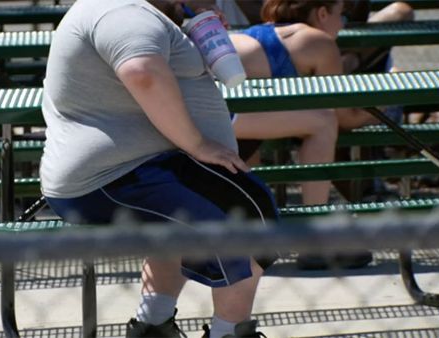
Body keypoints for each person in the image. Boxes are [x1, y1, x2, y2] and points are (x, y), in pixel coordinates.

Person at [40, 0, 278, 337]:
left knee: (190, 215)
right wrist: (197, 143)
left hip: (133, 169)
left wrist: (193, 27)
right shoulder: (121, 12)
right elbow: (143, 73)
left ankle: (153, 326)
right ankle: (230, 333)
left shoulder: (141, 12)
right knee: (247, 213)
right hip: (112, 175)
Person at [228, 0, 385, 269]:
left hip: (212, 115)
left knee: (301, 125)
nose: (342, 24)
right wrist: (383, 105)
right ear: (322, 13)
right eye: (341, 16)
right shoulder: (318, 41)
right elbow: (343, 117)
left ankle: (261, 240)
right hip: (218, 116)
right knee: (322, 123)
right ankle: (314, 237)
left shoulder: (259, 31)